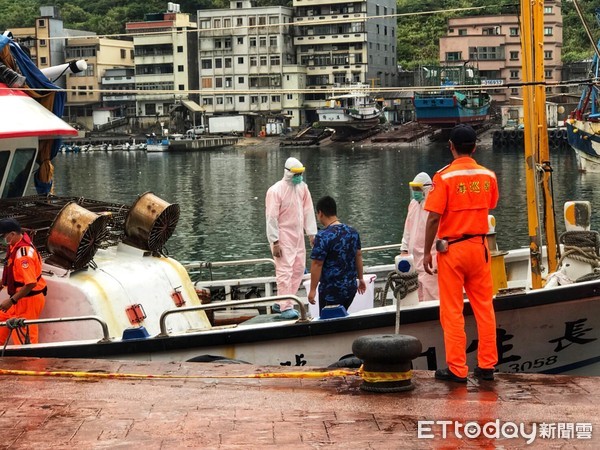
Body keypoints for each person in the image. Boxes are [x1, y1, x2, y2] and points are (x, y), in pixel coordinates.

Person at [422, 124, 499, 383]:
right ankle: (487, 365)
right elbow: (491, 204)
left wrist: (426, 252)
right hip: (479, 248)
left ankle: (457, 369)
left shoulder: (443, 177)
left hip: (452, 250)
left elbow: (433, 218)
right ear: (475, 147)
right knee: (484, 307)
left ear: (451, 146)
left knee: (453, 310)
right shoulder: (488, 176)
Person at [265, 157, 318, 318]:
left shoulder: (302, 188)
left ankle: (281, 301)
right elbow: (271, 217)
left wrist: (311, 234)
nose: (299, 176)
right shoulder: (275, 191)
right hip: (282, 237)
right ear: (288, 173)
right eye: (296, 174)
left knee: (298, 269)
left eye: (300, 173)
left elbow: (308, 211)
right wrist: (274, 241)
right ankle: (286, 306)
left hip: (298, 237)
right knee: (284, 271)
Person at [308, 196, 366, 314]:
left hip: (331, 290)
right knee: (342, 315)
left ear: (320, 213)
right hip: (350, 288)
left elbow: (317, 264)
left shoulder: (323, 236)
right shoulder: (353, 232)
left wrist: (312, 290)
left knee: (328, 321)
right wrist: (361, 278)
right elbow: (358, 256)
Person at [0, 218, 47, 344]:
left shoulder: (23, 256)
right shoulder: (14, 245)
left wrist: (11, 301)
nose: (2, 240)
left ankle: (30, 363)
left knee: (24, 340)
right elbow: (11, 273)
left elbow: (31, 283)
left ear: (12, 234)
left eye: (3, 236)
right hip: (18, 299)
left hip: (28, 301)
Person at [400, 172, 439, 301]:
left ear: (426, 188)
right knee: (418, 297)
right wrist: (404, 249)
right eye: (414, 189)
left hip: (431, 260)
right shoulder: (413, 205)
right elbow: (407, 229)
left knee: (433, 296)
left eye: (418, 189)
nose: (415, 192)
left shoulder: (435, 207)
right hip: (414, 261)